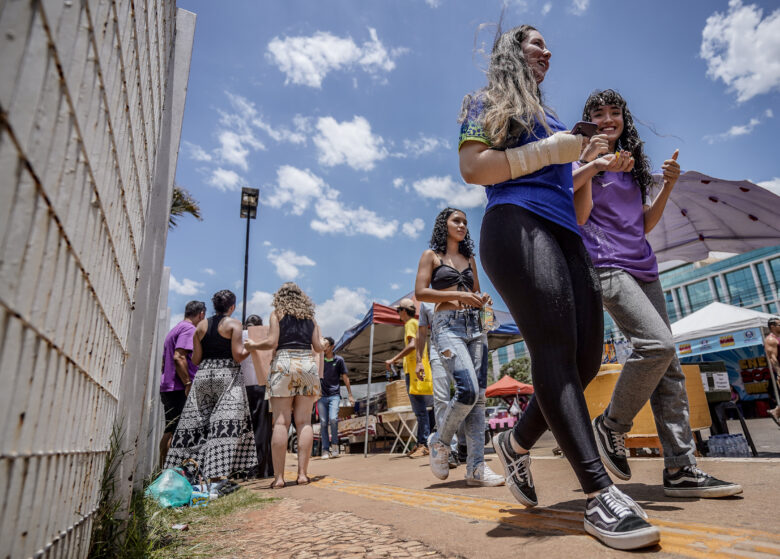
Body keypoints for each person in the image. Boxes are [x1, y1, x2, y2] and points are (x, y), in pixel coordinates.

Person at [458, 25, 659, 549]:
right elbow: (474, 168)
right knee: (552, 351)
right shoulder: (485, 101)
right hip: (514, 224)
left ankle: (516, 443)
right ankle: (598, 493)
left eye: (548, 47)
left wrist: (589, 167)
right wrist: (552, 151)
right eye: (536, 45)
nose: (548, 53)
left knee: (587, 359)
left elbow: (579, 207)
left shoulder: (551, 119)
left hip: (567, 234)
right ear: (512, 53)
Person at [572, 88, 742, 499]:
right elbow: (577, 217)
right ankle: (611, 425)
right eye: (599, 113)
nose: (608, 118)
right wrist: (593, 165)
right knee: (658, 345)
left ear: (625, 120)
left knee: (669, 367)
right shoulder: (580, 161)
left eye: (616, 112)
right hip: (606, 266)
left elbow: (643, 225)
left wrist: (666, 186)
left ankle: (682, 468)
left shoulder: (631, 168)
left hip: (645, 268)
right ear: (590, 120)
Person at [414, 208, 504, 487]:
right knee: (467, 390)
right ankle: (440, 442)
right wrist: (458, 294)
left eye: (465, 221)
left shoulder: (469, 259)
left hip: (475, 327)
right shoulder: (432, 256)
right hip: (446, 326)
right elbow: (420, 292)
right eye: (457, 220)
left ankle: (476, 468)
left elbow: (475, 293)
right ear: (445, 225)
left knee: (479, 399)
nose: (463, 225)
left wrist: (481, 297)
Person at [165, 290, 257, 480]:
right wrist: (250, 347)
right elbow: (238, 355)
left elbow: (197, 359)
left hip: (204, 376)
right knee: (224, 426)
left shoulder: (201, 326)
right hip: (227, 376)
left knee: (198, 426)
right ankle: (215, 476)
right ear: (232, 307)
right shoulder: (234, 324)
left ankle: (184, 472)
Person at [244, 282, 324, 488]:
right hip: (306, 363)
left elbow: (271, 342)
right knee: (304, 422)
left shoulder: (276, 314)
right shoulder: (311, 318)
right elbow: (317, 346)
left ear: (280, 296)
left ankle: (279, 478)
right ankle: (303, 475)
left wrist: (254, 345)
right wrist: (323, 342)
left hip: (284, 362)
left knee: (280, 422)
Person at [417, 301, 467, 469]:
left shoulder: (458, 292)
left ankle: (464, 444)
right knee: (441, 399)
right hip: (437, 350)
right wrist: (419, 361)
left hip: (460, 348)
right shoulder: (425, 302)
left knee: (465, 395)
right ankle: (449, 449)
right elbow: (422, 333)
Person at [385, 298, 435, 458]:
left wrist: (393, 359)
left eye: (398, 311)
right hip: (417, 371)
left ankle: (424, 444)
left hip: (414, 373)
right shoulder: (414, 324)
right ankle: (423, 442)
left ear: (404, 311)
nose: (398, 314)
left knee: (420, 411)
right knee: (423, 410)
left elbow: (413, 345)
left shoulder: (410, 324)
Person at [159, 300, 206, 467]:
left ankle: (163, 471)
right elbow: (179, 356)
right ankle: (172, 472)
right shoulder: (189, 329)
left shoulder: (176, 329)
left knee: (170, 429)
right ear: (201, 314)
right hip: (178, 388)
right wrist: (187, 382)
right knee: (177, 432)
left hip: (169, 386)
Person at [241, 314, 274, 478]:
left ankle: (245, 470)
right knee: (263, 429)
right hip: (262, 386)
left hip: (242, 387)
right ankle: (263, 469)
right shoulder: (264, 336)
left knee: (246, 430)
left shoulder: (239, 336)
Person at [318, 336, 355, 459]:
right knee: (323, 423)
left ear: (332, 347)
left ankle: (334, 446)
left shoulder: (339, 360)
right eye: (322, 345)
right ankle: (325, 450)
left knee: (333, 419)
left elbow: (345, 377)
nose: (323, 347)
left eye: (326, 345)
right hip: (321, 396)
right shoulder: (319, 360)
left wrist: (350, 395)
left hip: (334, 396)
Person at [765, 318, 780, 426]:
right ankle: (776, 411)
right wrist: (779, 372)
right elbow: (772, 358)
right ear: (772, 327)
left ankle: (775, 412)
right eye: (779, 324)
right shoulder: (771, 340)